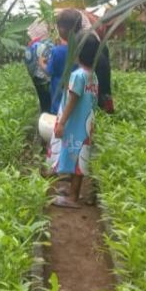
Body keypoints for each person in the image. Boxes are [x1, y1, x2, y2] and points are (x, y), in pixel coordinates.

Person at [51, 33, 100, 208]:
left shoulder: (77, 76)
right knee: (78, 156)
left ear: (77, 52)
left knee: (77, 158)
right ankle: (73, 190)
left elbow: (73, 99)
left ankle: (73, 198)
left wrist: (62, 123)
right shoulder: (92, 76)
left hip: (74, 124)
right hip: (85, 125)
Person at [55, 8, 114, 114]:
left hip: (92, 94)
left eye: (58, 27)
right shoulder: (90, 37)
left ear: (62, 29)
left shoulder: (77, 44)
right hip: (102, 91)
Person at [24, 19, 54, 113]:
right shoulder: (53, 44)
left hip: (38, 80)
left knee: (43, 103)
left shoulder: (32, 46)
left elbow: (29, 67)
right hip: (53, 81)